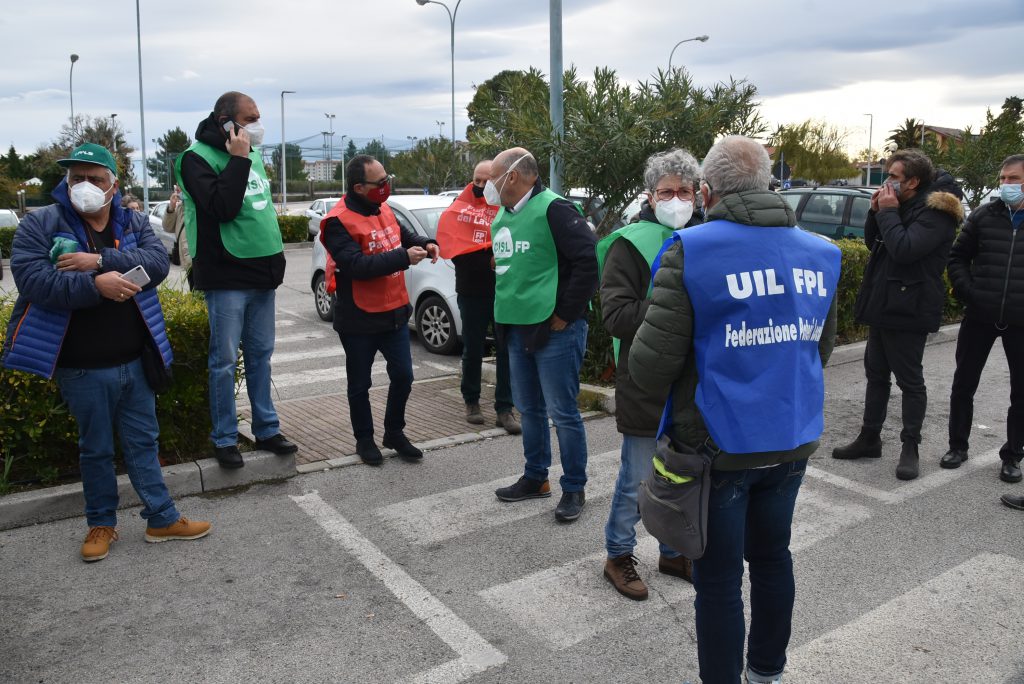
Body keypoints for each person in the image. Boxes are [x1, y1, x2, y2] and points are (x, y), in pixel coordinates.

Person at [630, 136, 839, 684]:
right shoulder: (822, 252)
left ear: (707, 191)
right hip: (790, 436)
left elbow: (651, 366)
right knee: (773, 558)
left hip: (716, 446)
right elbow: (819, 348)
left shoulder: (691, 249)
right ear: (769, 183)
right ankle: (766, 672)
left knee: (718, 581)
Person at [1, 143, 211, 562]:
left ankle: (161, 517)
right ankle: (101, 524)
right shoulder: (41, 224)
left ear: (113, 185)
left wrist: (97, 262)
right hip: (82, 366)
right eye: (76, 177)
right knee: (95, 447)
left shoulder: (132, 219)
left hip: (135, 357)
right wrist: (96, 287)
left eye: (95, 179)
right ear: (66, 181)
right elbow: (34, 283)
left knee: (143, 441)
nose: (84, 186)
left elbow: (155, 263)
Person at [596, 148, 701, 599]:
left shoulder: (707, 236)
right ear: (650, 195)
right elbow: (616, 314)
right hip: (644, 381)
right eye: (667, 192)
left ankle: (673, 550)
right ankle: (618, 554)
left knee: (681, 477)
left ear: (698, 194)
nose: (676, 199)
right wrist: (675, 309)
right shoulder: (629, 243)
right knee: (637, 477)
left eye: (684, 191)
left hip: (693, 386)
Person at [175, 91, 297, 469]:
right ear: (226, 121)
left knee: (261, 356)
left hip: (261, 272)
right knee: (224, 360)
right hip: (226, 274)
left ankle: (267, 428)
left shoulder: (253, 155)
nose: (257, 126)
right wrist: (239, 160)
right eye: (250, 118)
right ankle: (225, 437)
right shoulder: (194, 158)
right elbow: (223, 208)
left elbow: (259, 213)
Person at [832, 149, 963, 480]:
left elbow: (905, 249)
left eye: (894, 177)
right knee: (876, 373)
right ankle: (869, 437)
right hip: (884, 301)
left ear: (914, 182)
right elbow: (873, 242)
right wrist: (876, 212)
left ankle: (910, 446)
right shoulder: (901, 204)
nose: (888, 182)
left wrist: (888, 211)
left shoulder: (937, 213)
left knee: (909, 380)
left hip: (911, 306)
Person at [489, 148, 598, 523]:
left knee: (563, 413)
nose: (490, 185)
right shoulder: (504, 215)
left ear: (514, 178)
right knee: (530, 408)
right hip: (518, 326)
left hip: (555, 330)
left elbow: (588, 261)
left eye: (493, 178)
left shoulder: (556, 209)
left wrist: (566, 314)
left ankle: (574, 487)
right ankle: (536, 478)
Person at [321, 154, 440, 466]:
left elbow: (402, 234)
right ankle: (364, 439)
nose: (387, 186)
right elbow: (355, 265)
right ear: (359, 187)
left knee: (403, 376)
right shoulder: (337, 221)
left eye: (388, 179)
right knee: (360, 384)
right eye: (381, 182)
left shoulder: (382, 207)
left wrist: (426, 242)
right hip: (358, 318)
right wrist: (403, 257)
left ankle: (394, 432)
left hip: (395, 311)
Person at [942, 154, 1024, 485]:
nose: (1006, 185)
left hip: (1021, 321)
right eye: (1003, 178)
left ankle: (1013, 455)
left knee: (1021, 393)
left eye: (1014, 179)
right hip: (980, 315)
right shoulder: (983, 216)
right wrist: (968, 292)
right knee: (964, 383)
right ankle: (957, 447)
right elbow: (957, 257)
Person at [436, 160, 520, 434]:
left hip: (504, 290)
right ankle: (471, 401)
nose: (483, 186)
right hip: (472, 291)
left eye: (488, 181)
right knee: (472, 349)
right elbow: (456, 252)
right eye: (478, 180)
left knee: (506, 350)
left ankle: (504, 409)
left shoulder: (508, 207)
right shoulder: (458, 211)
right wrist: (490, 259)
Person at [162, 183, 192, 281]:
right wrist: (171, 207)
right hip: (187, 263)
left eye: (179, 185)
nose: (176, 188)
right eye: (176, 185)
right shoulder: (180, 207)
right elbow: (167, 227)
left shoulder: (195, 205)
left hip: (196, 261)